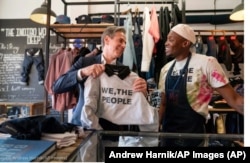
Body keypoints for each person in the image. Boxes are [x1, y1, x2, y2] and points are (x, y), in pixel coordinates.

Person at [158, 24, 244, 147]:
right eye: (167, 39)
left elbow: (235, 100)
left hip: (194, 138)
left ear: (185, 43)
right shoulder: (165, 69)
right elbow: (161, 103)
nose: (166, 43)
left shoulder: (207, 63)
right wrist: (152, 131)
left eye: (171, 40)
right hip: (167, 138)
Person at [52, 26, 148, 131]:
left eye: (125, 42)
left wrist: (142, 92)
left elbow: (130, 102)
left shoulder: (125, 71)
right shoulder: (85, 62)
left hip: (110, 131)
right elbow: (57, 87)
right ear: (107, 40)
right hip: (83, 128)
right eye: (120, 41)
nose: (124, 45)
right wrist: (83, 72)